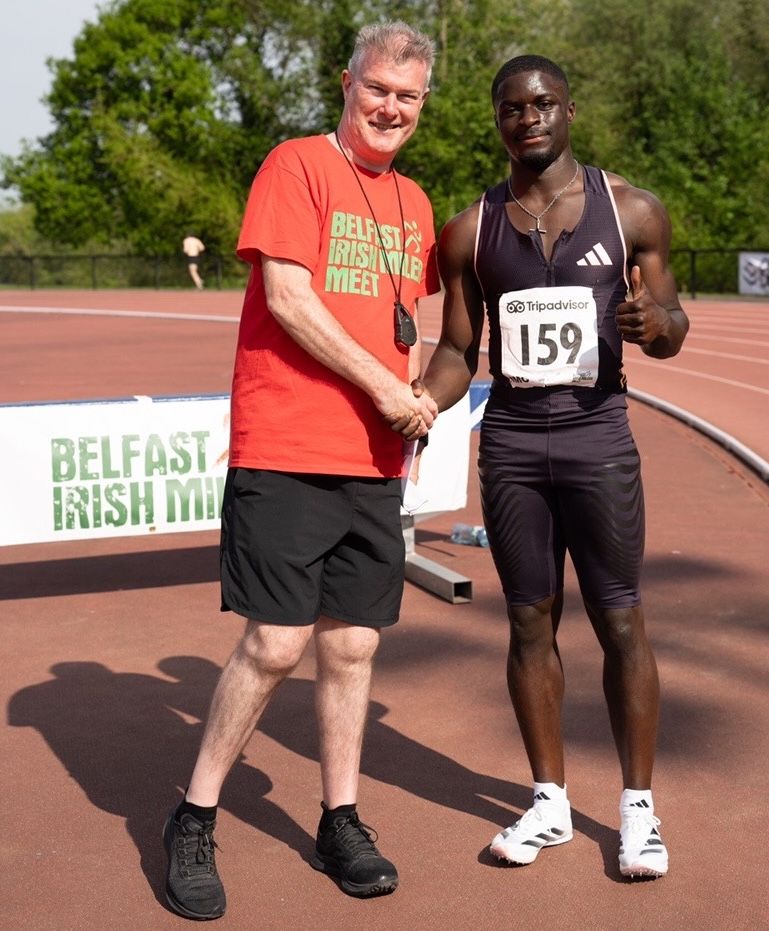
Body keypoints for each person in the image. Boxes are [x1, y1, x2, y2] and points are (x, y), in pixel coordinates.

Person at [162, 21, 438, 920]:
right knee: (277, 642)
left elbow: (407, 323)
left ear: (421, 105)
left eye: (409, 96)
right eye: (378, 89)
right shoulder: (295, 166)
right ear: (347, 84)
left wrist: (415, 398)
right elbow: (288, 298)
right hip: (287, 445)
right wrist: (386, 388)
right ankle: (194, 815)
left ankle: (340, 817)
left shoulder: (416, 203)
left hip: (374, 456)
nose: (390, 107)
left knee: (353, 644)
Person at [420, 55, 689, 880]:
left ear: (571, 109)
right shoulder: (470, 230)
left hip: (597, 440)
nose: (527, 117)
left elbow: (674, 319)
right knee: (529, 622)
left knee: (619, 620)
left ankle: (638, 811)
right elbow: (460, 348)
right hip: (511, 447)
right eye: (511, 107)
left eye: (541, 104)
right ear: (496, 120)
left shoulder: (633, 209)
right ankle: (548, 802)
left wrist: (655, 323)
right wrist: (421, 404)